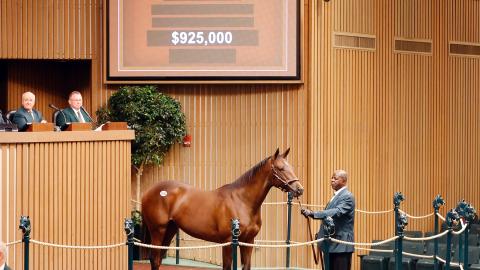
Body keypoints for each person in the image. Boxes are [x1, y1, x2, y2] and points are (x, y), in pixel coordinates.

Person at [301, 170, 355, 270]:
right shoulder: (336, 196)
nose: (332, 180)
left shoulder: (348, 196)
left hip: (341, 245)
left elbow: (337, 211)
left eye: (335, 178)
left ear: (343, 181)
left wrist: (313, 213)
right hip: (331, 244)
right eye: (332, 178)